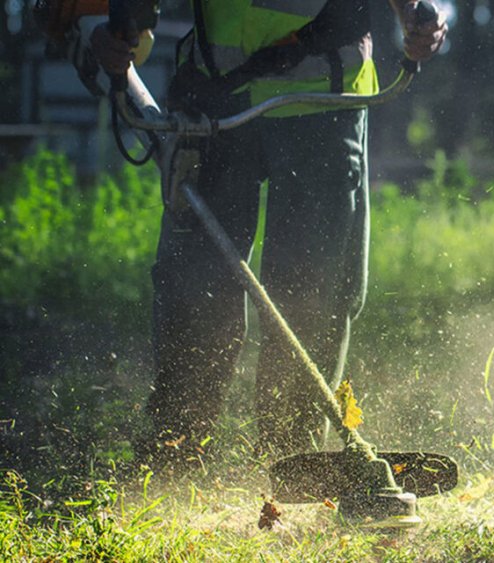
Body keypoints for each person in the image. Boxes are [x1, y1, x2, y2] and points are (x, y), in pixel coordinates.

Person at [90, 0, 447, 466]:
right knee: (196, 288)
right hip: (214, 98)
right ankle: (175, 451)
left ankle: (292, 460)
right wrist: (112, 28)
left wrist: (417, 13)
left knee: (311, 291)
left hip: (324, 98)